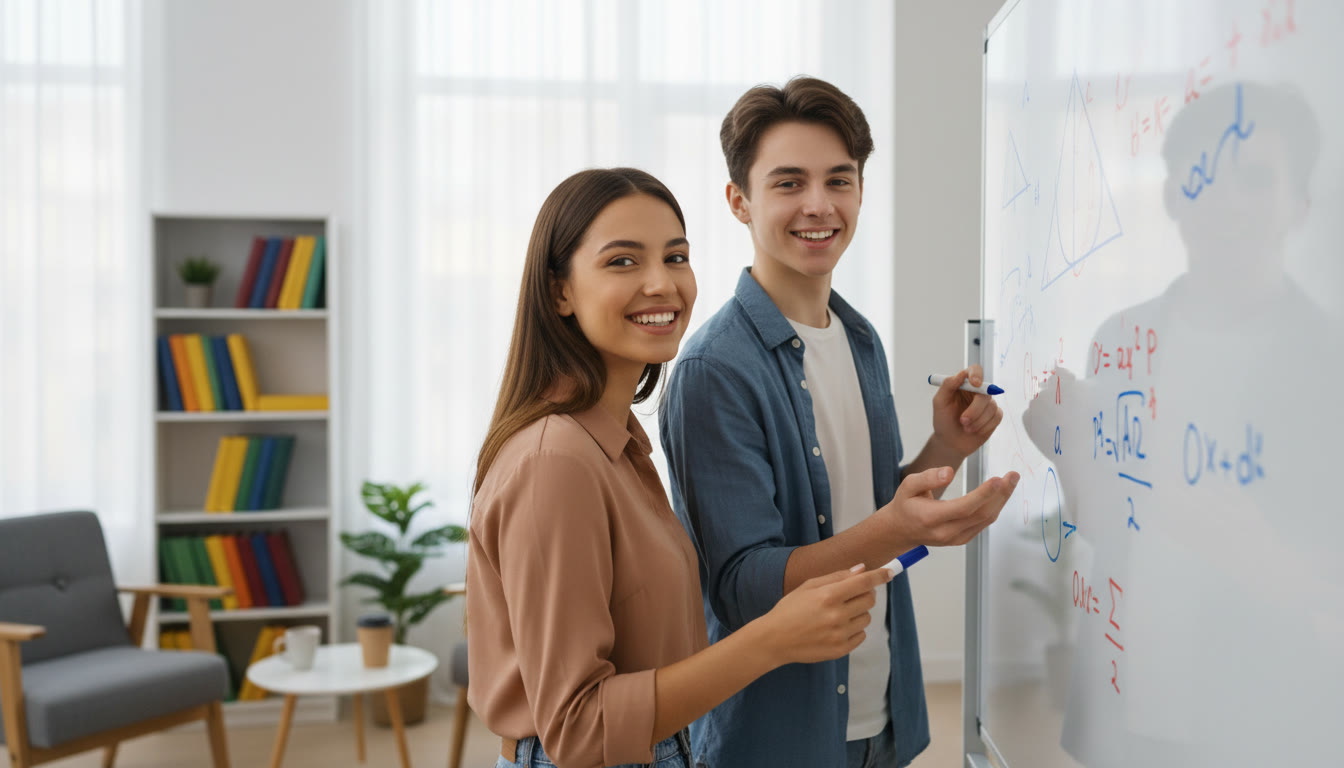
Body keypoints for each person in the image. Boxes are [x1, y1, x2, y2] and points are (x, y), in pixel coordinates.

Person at [466, 167, 895, 768]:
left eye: (676, 257)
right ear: (559, 290)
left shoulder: (618, 445)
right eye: (622, 262)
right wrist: (773, 639)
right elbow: (579, 729)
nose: (660, 284)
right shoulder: (554, 462)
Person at [659, 77, 1020, 767]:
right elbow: (742, 587)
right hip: (776, 735)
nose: (819, 205)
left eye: (840, 180)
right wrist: (898, 529)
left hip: (880, 709)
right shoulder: (715, 370)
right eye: (789, 183)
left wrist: (946, 443)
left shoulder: (858, 339)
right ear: (739, 201)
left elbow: (865, 512)